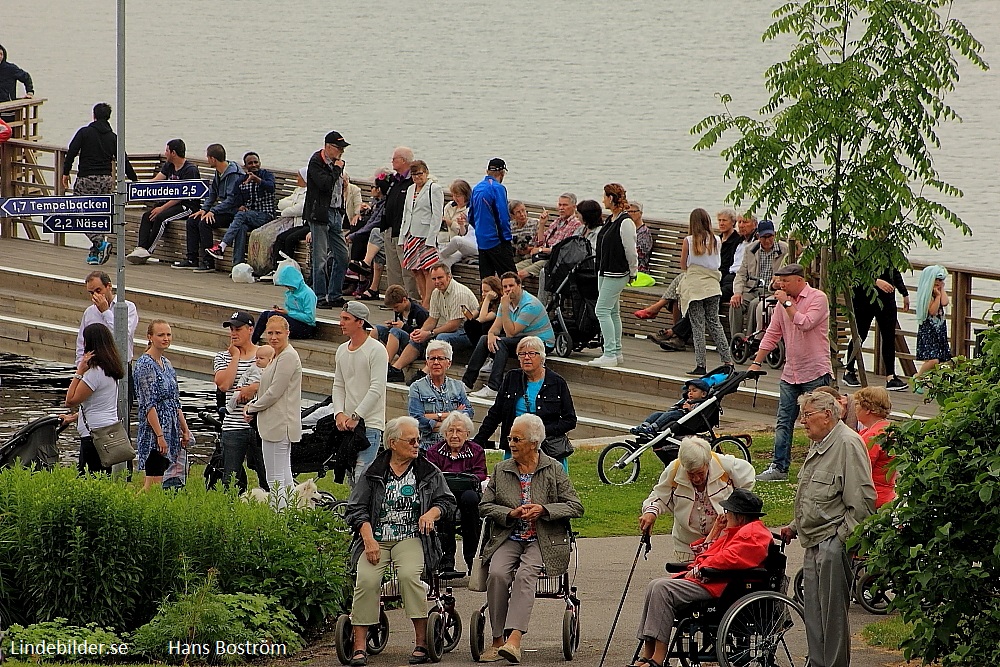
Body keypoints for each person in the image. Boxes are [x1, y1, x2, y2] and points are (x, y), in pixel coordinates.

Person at [344, 416, 456, 667]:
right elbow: (355, 508)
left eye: (418, 440)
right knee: (367, 580)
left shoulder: (427, 470)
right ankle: (359, 646)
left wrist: (431, 513)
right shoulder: (373, 472)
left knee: (408, 577)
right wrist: (368, 538)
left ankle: (421, 643)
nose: (418, 445)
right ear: (393, 443)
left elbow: (447, 501)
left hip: (411, 537)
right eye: (411, 441)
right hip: (376, 538)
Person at [478, 413, 584, 664]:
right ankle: (496, 641)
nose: (511, 443)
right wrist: (509, 513)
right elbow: (484, 506)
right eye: (509, 438)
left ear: (534, 443)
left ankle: (514, 639)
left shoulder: (553, 469)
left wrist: (545, 510)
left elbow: (575, 506)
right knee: (497, 573)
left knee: (526, 574)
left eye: (517, 439)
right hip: (509, 536)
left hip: (543, 538)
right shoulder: (501, 469)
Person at [779, 390, 875, 667]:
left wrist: (840, 540)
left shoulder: (847, 443)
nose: (801, 422)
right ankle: (818, 662)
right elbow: (813, 494)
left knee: (832, 616)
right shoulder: (820, 443)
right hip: (813, 539)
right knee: (814, 612)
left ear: (828, 415)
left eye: (807, 415)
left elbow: (862, 502)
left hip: (832, 541)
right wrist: (795, 526)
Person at [632, 488, 772, 667]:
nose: (725, 514)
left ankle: (658, 656)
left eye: (729, 511)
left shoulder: (752, 533)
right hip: (712, 580)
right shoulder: (738, 531)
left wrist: (701, 569)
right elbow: (706, 553)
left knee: (661, 588)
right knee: (654, 585)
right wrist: (716, 530)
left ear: (740, 515)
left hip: (720, 585)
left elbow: (731, 558)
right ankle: (648, 650)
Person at [750, 263, 833, 482]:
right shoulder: (782, 305)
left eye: (785, 281)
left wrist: (786, 302)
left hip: (815, 371)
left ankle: (818, 467)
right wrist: (756, 362)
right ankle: (779, 467)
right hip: (791, 372)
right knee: (784, 420)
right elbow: (772, 334)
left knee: (818, 420)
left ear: (798, 280)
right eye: (779, 281)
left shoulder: (818, 298)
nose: (781, 285)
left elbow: (805, 323)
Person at [639, 436, 757, 562]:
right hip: (687, 545)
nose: (696, 479)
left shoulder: (724, 465)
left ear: (708, 463)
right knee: (688, 580)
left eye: (700, 473)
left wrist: (735, 509)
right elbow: (659, 496)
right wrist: (651, 512)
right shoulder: (674, 470)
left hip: (724, 541)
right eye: (691, 473)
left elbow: (747, 481)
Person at [473, 336, 577, 469]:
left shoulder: (557, 382)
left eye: (531, 353)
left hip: (548, 451)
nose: (526, 357)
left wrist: (539, 433)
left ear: (542, 357)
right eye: (522, 354)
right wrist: (478, 442)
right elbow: (495, 413)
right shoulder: (512, 378)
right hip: (515, 449)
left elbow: (570, 420)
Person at [62, 102, 138, 265]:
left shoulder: (85, 132)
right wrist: (134, 179)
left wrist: (65, 172)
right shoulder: (113, 137)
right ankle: (96, 253)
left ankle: (99, 242)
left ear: (94, 115)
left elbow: (71, 152)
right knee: (100, 215)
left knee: (76, 212)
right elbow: (123, 160)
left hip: (86, 179)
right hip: (105, 180)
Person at [466, 272, 555, 400]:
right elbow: (495, 328)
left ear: (519, 286)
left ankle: (494, 387)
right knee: (484, 338)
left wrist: (505, 308)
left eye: (511, 285)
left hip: (541, 343)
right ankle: (467, 383)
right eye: (505, 287)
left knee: (501, 342)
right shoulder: (505, 302)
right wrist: (490, 335)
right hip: (522, 341)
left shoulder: (530, 305)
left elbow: (511, 333)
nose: (508, 289)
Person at [244, 316, 303, 506]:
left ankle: (279, 516)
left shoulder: (288, 356)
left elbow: (274, 392)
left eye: (278, 333)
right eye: (270, 333)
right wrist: (254, 402)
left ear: (287, 332)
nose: (274, 337)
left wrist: (252, 407)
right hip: (272, 422)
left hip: (280, 423)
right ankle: (288, 513)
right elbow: (265, 388)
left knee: (275, 477)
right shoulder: (276, 355)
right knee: (283, 475)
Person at [387, 263, 477, 384]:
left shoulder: (459, 293)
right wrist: (422, 332)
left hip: (469, 332)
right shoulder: (436, 293)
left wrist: (430, 333)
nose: (437, 281)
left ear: (449, 276)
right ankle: (396, 369)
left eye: (440, 278)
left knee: (440, 338)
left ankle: (424, 372)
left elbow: (454, 325)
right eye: (434, 279)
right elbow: (432, 319)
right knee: (420, 335)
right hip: (453, 329)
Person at [424, 411, 487, 577]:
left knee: (470, 499)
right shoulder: (433, 452)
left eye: (459, 431)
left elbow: (481, 473)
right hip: (444, 495)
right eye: (450, 431)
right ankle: (447, 561)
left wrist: (464, 478)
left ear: (467, 433)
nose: (454, 435)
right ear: (444, 434)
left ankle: (472, 560)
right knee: (444, 506)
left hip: (468, 495)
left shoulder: (476, 451)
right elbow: (430, 476)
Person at [333, 302, 389, 485]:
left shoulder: (376, 350)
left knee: (362, 478)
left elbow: (377, 387)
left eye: (346, 319)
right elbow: (339, 385)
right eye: (342, 318)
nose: (341, 323)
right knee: (351, 478)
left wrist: (357, 416)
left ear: (360, 322)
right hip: (347, 425)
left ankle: (362, 513)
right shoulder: (341, 350)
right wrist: (339, 413)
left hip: (369, 424)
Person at [213, 311, 268, 493]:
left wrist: (253, 388)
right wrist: (235, 357)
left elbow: (276, 384)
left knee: (267, 476)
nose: (233, 333)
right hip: (233, 426)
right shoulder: (222, 357)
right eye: (231, 329)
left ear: (250, 329)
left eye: (238, 329)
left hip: (260, 424)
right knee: (230, 479)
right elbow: (224, 384)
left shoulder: (264, 355)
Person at [133, 320, 192, 490]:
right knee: (153, 483)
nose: (166, 338)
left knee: (158, 480)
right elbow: (147, 404)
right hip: (154, 430)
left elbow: (175, 400)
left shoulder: (166, 363)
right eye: (161, 335)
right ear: (150, 337)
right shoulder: (144, 364)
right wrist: (159, 435)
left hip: (171, 426)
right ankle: (134, 510)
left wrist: (184, 428)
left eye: (168, 334)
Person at [126, 139, 203, 264]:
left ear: (173, 153)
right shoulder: (169, 165)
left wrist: (162, 208)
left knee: (161, 217)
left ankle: (147, 251)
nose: (165, 153)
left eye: (167, 150)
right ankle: (140, 248)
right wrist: (137, 186)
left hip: (187, 206)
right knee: (147, 216)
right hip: (171, 203)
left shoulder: (190, 170)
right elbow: (156, 181)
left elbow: (181, 197)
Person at [63, 323, 126, 475]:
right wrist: (77, 416)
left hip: (93, 435)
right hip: (108, 430)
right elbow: (101, 402)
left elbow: (70, 400)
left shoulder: (94, 373)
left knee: (89, 477)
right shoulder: (110, 370)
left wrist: (79, 371)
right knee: (103, 475)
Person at [679, 208, 733, 376]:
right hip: (712, 285)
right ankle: (727, 360)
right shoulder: (716, 239)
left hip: (696, 286)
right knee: (714, 322)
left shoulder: (689, 240)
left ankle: (701, 364)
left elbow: (683, 264)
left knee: (698, 325)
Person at [173, 143, 244, 272]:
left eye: (208, 157)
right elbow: (212, 194)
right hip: (221, 209)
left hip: (232, 212)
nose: (207, 160)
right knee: (192, 220)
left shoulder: (234, 174)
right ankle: (192, 259)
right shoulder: (219, 172)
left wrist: (213, 211)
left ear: (213, 159)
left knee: (205, 223)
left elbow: (231, 200)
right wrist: (204, 209)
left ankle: (208, 262)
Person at [591, 183, 638, 367]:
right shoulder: (611, 219)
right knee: (612, 311)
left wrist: (633, 271)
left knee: (601, 310)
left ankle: (609, 352)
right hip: (604, 270)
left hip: (616, 272)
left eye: (604, 196)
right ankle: (617, 352)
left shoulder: (625, 222)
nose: (602, 199)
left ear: (611, 198)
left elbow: (631, 250)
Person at [302, 131, 350, 309]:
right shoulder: (316, 162)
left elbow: (337, 187)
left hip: (336, 213)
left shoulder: (338, 163)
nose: (341, 153)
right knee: (320, 257)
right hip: (320, 214)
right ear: (328, 147)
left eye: (342, 150)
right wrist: (337, 169)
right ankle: (319, 296)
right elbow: (324, 184)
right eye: (338, 149)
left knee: (342, 256)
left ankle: (335, 294)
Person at [207, 151, 277, 265]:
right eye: (250, 163)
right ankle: (237, 265)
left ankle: (222, 246)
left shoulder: (266, 175)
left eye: (256, 162)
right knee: (241, 227)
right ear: (245, 166)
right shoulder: (241, 181)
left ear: (260, 163)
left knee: (241, 216)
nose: (254, 165)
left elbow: (271, 187)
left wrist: (257, 180)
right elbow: (234, 201)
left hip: (266, 217)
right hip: (249, 217)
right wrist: (239, 206)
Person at [408, 340, 473, 449]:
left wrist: (433, 417)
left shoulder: (458, 386)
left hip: (454, 446)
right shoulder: (417, 387)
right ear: (427, 362)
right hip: (426, 447)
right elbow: (417, 420)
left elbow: (469, 413)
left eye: (441, 358)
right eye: (432, 358)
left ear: (449, 363)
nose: (436, 362)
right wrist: (454, 415)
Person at [729, 220, 788, 339]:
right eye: (763, 237)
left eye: (770, 236)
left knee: (755, 304)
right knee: (735, 304)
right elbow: (741, 274)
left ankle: (751, 339)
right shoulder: (751, 249)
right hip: (752, 289)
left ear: (774, 235)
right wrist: (737, 293)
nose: (767, 240)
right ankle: (736, 341)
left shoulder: (783, 249)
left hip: (770, 290)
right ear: (758, 236)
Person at [249, 166, 309, 278]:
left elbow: (300, 208)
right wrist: (291, 207)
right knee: (280, 238)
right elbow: (281, 203)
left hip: (303, 224)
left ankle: (286, 270)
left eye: (299, 177)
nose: (297, 179)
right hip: (292, 220)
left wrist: (288, 209)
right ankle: (277, 269)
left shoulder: (308, 192)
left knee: (288, 238)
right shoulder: (297, 191)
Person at [399, 159, 444, 306]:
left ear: (426, 173)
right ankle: (424, 297)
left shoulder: (434, 188)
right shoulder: (411, 189)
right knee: (415, 269)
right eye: (414, 175)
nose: (417, 177)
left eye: (420, 174)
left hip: (425, 234)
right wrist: (402, 237)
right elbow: (406, 213)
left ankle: (428, 302)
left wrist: (432, 238)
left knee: (427, 269)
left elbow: (437, 215)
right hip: (411, 234)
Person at [347, 169, 394, 298]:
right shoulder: (376, 202)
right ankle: (367, 283)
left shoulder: (385, 203)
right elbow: (371, 220)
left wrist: (353, 236)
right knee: (361, 229)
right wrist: (362, 213)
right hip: (376, 238)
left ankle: (363, 268)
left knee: (369, 234)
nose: (371, 189)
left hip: (385, 236)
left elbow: (375, 223)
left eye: (373, 187)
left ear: (379, 189)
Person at [76, 270, 139, 367]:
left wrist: (105, 311)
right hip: (95, 367)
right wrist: (79, 366)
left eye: (98, 291)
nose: (95, 296)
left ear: (109, 286)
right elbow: (81, 342)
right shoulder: (89, 312)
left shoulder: (128, 307)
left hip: (120, 366)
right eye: (91, 293)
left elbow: (123, 335)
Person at [469, 158, 517, 278]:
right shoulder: (498, 188)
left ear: (487, 171)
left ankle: (487, 297)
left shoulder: (477, 188)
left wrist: (481, 230)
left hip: (481, 241)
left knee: (487, 281)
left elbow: (470, 216)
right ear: (502, 173)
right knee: (510, 278)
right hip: (497, 241)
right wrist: (506, 239)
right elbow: (503, 217)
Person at [383, 147, 419, 300]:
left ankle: (411, 299)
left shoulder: (412, 181)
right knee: (392, 269)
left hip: (404, 231)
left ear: (403, 161)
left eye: (395, 159)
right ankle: (394, 299)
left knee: (406, 269)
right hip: (389, 228)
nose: (392, 161)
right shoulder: (394, 180)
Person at [517, 193, 581, 279]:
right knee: (509, 271)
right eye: (560, 205)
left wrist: (541, 250)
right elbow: (540, 242)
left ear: (574, 207)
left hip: (552, 261)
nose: (561, 208)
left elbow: (563, 250)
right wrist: (542, 224)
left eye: (565, 205)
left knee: (518, 275)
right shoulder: (557, 221)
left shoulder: (575, 225)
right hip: (540, 257)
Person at [251, 261, 317, 344]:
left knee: (273, 316)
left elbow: (309, 318)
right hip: (293, 322)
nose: (287, 287)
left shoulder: (308, 294)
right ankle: (252, 341)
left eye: (288, 284)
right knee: (266, 314)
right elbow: (288, 309)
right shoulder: (290, 293)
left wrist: (288, 313)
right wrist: (282, 311)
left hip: (306, 328)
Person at [854, 386, 896, 508]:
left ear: (867, 409)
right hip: (887, 494)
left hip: (873, 497)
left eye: (857, 404)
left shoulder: (872, 436)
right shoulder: (888, 428)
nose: (854, 408)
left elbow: (859, 469)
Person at [630, 379, 711, 441]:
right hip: (679, 414)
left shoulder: (701, 404)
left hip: (688, 419)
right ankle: (644, 426)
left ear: (703, 394)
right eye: (689, 391)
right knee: (657, 414)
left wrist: (690, 409)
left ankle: (653, 429)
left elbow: (698, 414)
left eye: (694, 391)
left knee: (670, 415)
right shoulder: (688, 400)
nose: (690, 393)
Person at [377, 284, 429, 368]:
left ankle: (385, 365)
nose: (395, 310)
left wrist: (403, 327)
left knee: (395, 332)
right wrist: (393, 325)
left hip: (415, 345)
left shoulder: (420, 312)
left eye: (396, 307)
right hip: (401, 341)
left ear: (404, 300)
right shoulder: (399, 311)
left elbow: (421, 335)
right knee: (378, 329)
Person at [915, 265, 951, 377]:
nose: (938, 282)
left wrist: (941, 290)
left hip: (939, 329)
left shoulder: (939, 292)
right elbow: (932, 311)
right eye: (936, 279)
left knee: (941, 359)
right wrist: (937, 297)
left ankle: (928, 380)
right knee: (932, 360)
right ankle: (918, 377)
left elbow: (945, 302)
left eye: (941, 280)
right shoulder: (927, 295)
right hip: (929, 330)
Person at [437, 179, 477, 268]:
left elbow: (462, 233)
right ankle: (447, 281)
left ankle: (439, 255)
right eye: (454, 195)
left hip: (467, 244)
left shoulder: (470, 210)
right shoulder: (449, 206)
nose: (455, 198)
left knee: (456, 240)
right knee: (443, 262)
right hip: (446, 244)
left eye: (458, 196)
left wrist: (452, 223)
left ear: (466, 195)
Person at [226, 345, 273, 411]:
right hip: (247, 385)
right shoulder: (253, 367)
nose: (258, 360)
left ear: (270, 360)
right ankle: (229, 408)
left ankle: (250, 411)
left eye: (261, 358)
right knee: (236, 394)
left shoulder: (271, 370)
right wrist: (239, 384)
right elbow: (244, 376)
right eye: (256, 358)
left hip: (259, 392)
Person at [463, 275, 502, 349]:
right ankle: (478, 348)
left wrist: (487, 299)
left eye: (486, 291)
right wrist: (467, 314)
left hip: (494, 331)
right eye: (482, 291)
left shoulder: (499, 304)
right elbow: (474, 315)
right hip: (482, 333)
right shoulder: (486, 303)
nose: (483, 294)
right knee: (469, 324)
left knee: (486, 324)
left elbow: (483, 318)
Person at [0, 44, 33, 123]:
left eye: (1, 54)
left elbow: (26, 77)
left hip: (8, 110)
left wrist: (30, 92)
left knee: (11, 133)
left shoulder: (10, 69)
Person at [629, 202, 653, 274]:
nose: (630, 214)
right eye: (628, 212)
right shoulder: (629, 229)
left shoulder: (644, 233)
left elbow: (638, 254)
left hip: (639, 271)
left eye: (633, 211)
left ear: (640, 213)